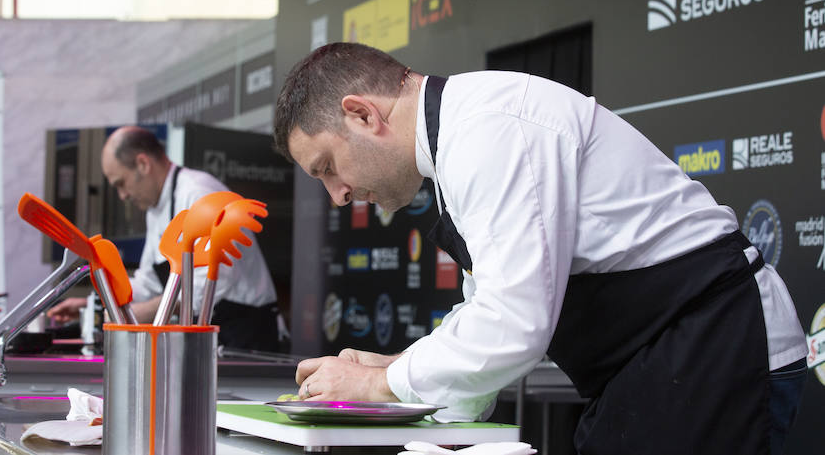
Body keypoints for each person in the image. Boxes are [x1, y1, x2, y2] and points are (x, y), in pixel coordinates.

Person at [273, 43, 809, 455]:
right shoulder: (457, 143)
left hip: (719, 343)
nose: (338, 195)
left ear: (363, 115)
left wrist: (379, 383)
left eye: (327, 168)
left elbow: (513, 324)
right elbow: (489, 308)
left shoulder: (489, 129)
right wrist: (401, 368)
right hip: (661, 360)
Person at [48, 126, 280, 351]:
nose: (123, 195)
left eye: (121, 184)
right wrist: (96, 306)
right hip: (208, 331)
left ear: (143, 164)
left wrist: (143, 312)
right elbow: (148, 282)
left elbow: (208, 284)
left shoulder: (198, 193)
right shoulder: (156, 209)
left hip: (244, 332)